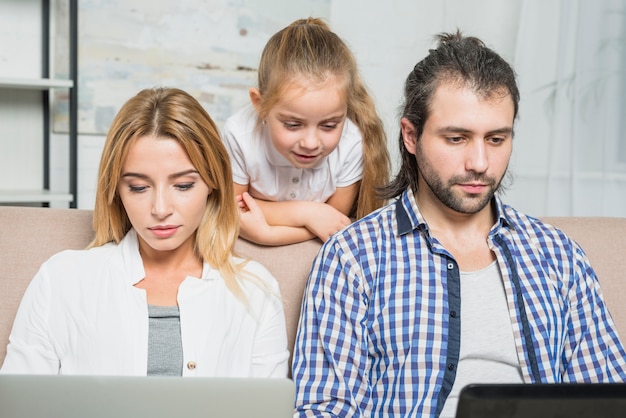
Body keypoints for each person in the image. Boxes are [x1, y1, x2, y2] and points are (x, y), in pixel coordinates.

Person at [291, 32, 626, 417]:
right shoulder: (354, 258)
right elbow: (322, 408)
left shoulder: (558, 254)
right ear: (411, 136)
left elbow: (608, 398)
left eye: (496, 139)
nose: (480, 162)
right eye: (457, 138)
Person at [1, 87, 289, 377]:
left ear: (213, 184)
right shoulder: (61, 280)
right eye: (139, 187)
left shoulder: (256, 290)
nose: (160, 208)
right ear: (115, 190)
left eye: (183, 185)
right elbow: (18, 404)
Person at [223, 17, 390, 246]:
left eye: (329, 125)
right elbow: (231, 208)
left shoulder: (352, 141)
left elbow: (334, 222)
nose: (311, 143)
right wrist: (308, 214)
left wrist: (268, 233)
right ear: (259, 104)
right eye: (293, 125)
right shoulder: (239, 134)